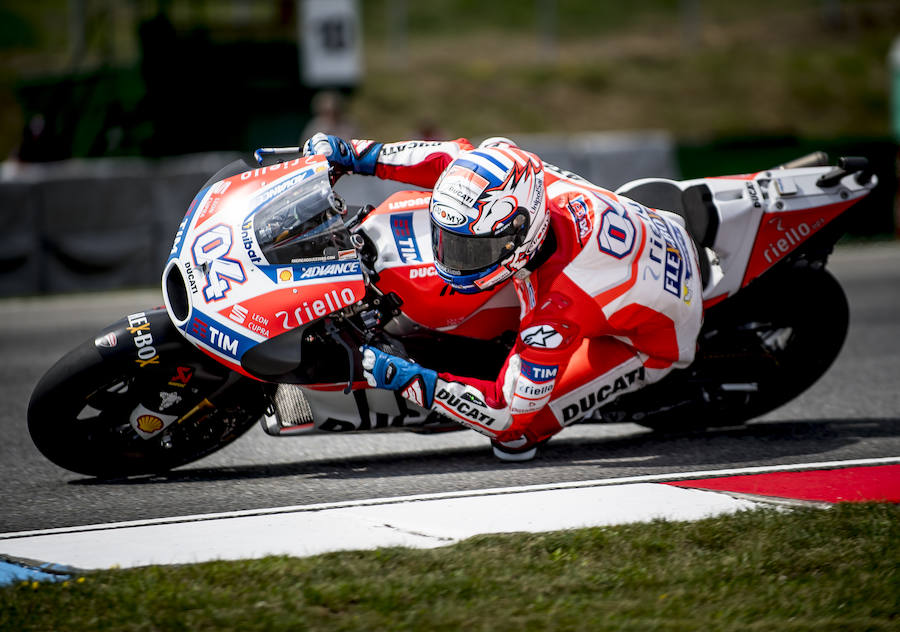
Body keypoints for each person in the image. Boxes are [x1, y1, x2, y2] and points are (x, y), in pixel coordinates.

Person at [302, 133, 704, 461]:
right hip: (641, 238)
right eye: (448, 242)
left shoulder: (555, 309)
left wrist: (399, 375)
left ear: (519, 237)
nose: (452, 259)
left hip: (652, 336)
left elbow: (505, 415)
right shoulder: (518, 174)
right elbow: (449, 159)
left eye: (471, 250)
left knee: (515, 443)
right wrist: (353, 154)